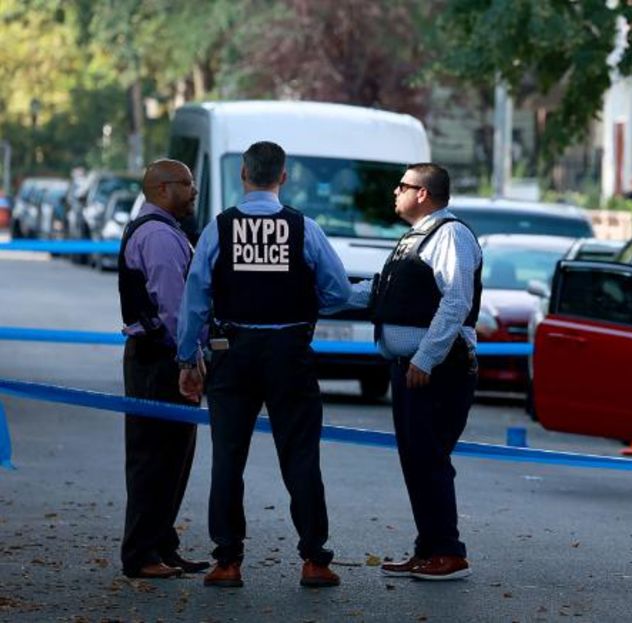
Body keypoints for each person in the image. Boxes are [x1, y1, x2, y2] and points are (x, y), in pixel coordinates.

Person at [176, 141, 360, 588]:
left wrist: (188, 358)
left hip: (231, 352)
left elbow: (196, 298)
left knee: (227, 460)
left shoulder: (220, 229)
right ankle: (315, 560)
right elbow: (338, 293)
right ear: (283, 177)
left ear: (243, 175)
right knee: (300, 458)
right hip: (290, 352)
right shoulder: (305, 229)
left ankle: (227, 561)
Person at [373, 163, 482, 581]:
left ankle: (449, 553)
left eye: (402, 185)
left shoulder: (450, 234)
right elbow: (386, 291)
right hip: (414, 367)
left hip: (438, 369)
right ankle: (428, 548)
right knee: (416, 460)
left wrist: (425, 358)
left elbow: (456, 301)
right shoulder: (415, 237)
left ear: (423, 194)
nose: (395, 192)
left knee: (430, 458)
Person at [117, 159, 209, 579]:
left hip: (157, 356)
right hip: (160, 359)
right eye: (188, 184)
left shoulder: (162, 230)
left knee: (172, 457)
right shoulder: (158, 236)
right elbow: (174, 309)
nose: (194, 191)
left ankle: (161, 545)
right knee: (153, 458)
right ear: (163, 188)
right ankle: (141, 554)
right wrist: (189, 360)